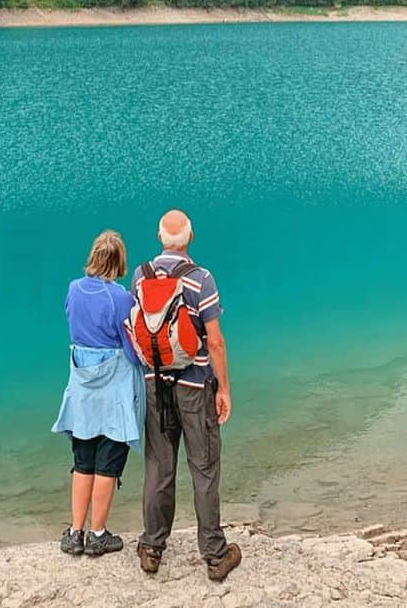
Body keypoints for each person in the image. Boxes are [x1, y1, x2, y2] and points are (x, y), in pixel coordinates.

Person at [134, 209, 241, 582]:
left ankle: (151, 547)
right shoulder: (201, 279)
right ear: (190, 238)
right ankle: (214, 554)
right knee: (205, 467)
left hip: (155, 384)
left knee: (159, 466)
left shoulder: (140, 275)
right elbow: (215, 341)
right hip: (195, 387)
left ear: (159, 236)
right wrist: (223, 387)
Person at [52, 229, 144, 557]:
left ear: (93, 256)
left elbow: (73, 322)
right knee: (109, 458)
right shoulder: (122, 298)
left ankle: (74, 532)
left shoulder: (73, 289)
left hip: (81, 386)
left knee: (83, 459)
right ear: (119, 262)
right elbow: (131, 348)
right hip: (114, 390)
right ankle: (98, 533)